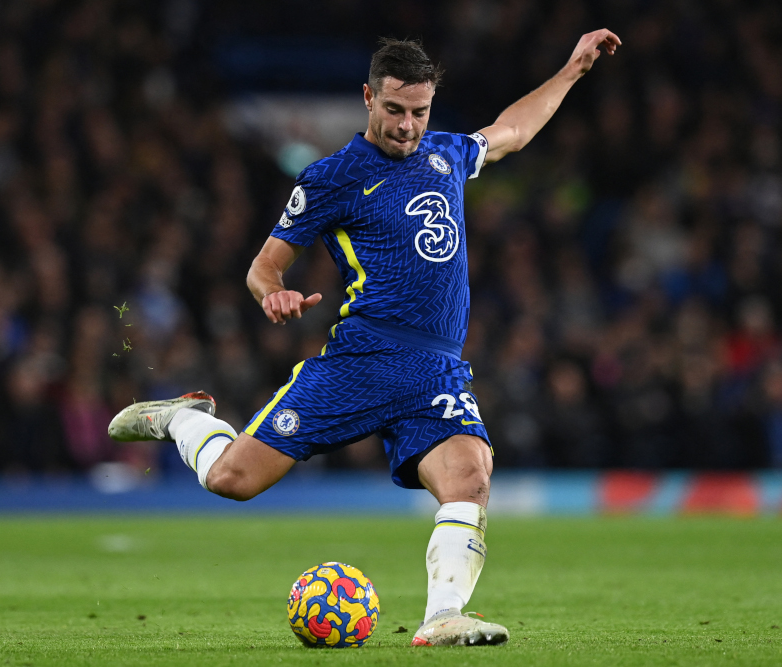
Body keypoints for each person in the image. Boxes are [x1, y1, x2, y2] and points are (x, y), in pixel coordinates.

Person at [109, 30, 620, 647]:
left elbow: (512, 130)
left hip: (435, 370)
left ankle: (443, 617)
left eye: (420, 112)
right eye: (395, 109)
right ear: (369, 98)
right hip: (361, 361)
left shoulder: (446, 154)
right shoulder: (333, 177)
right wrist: (274, 292)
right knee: (232, 480)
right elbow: (263, 266)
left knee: (470, 477)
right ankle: (182, 419)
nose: (407, 126)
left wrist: (571, 71)